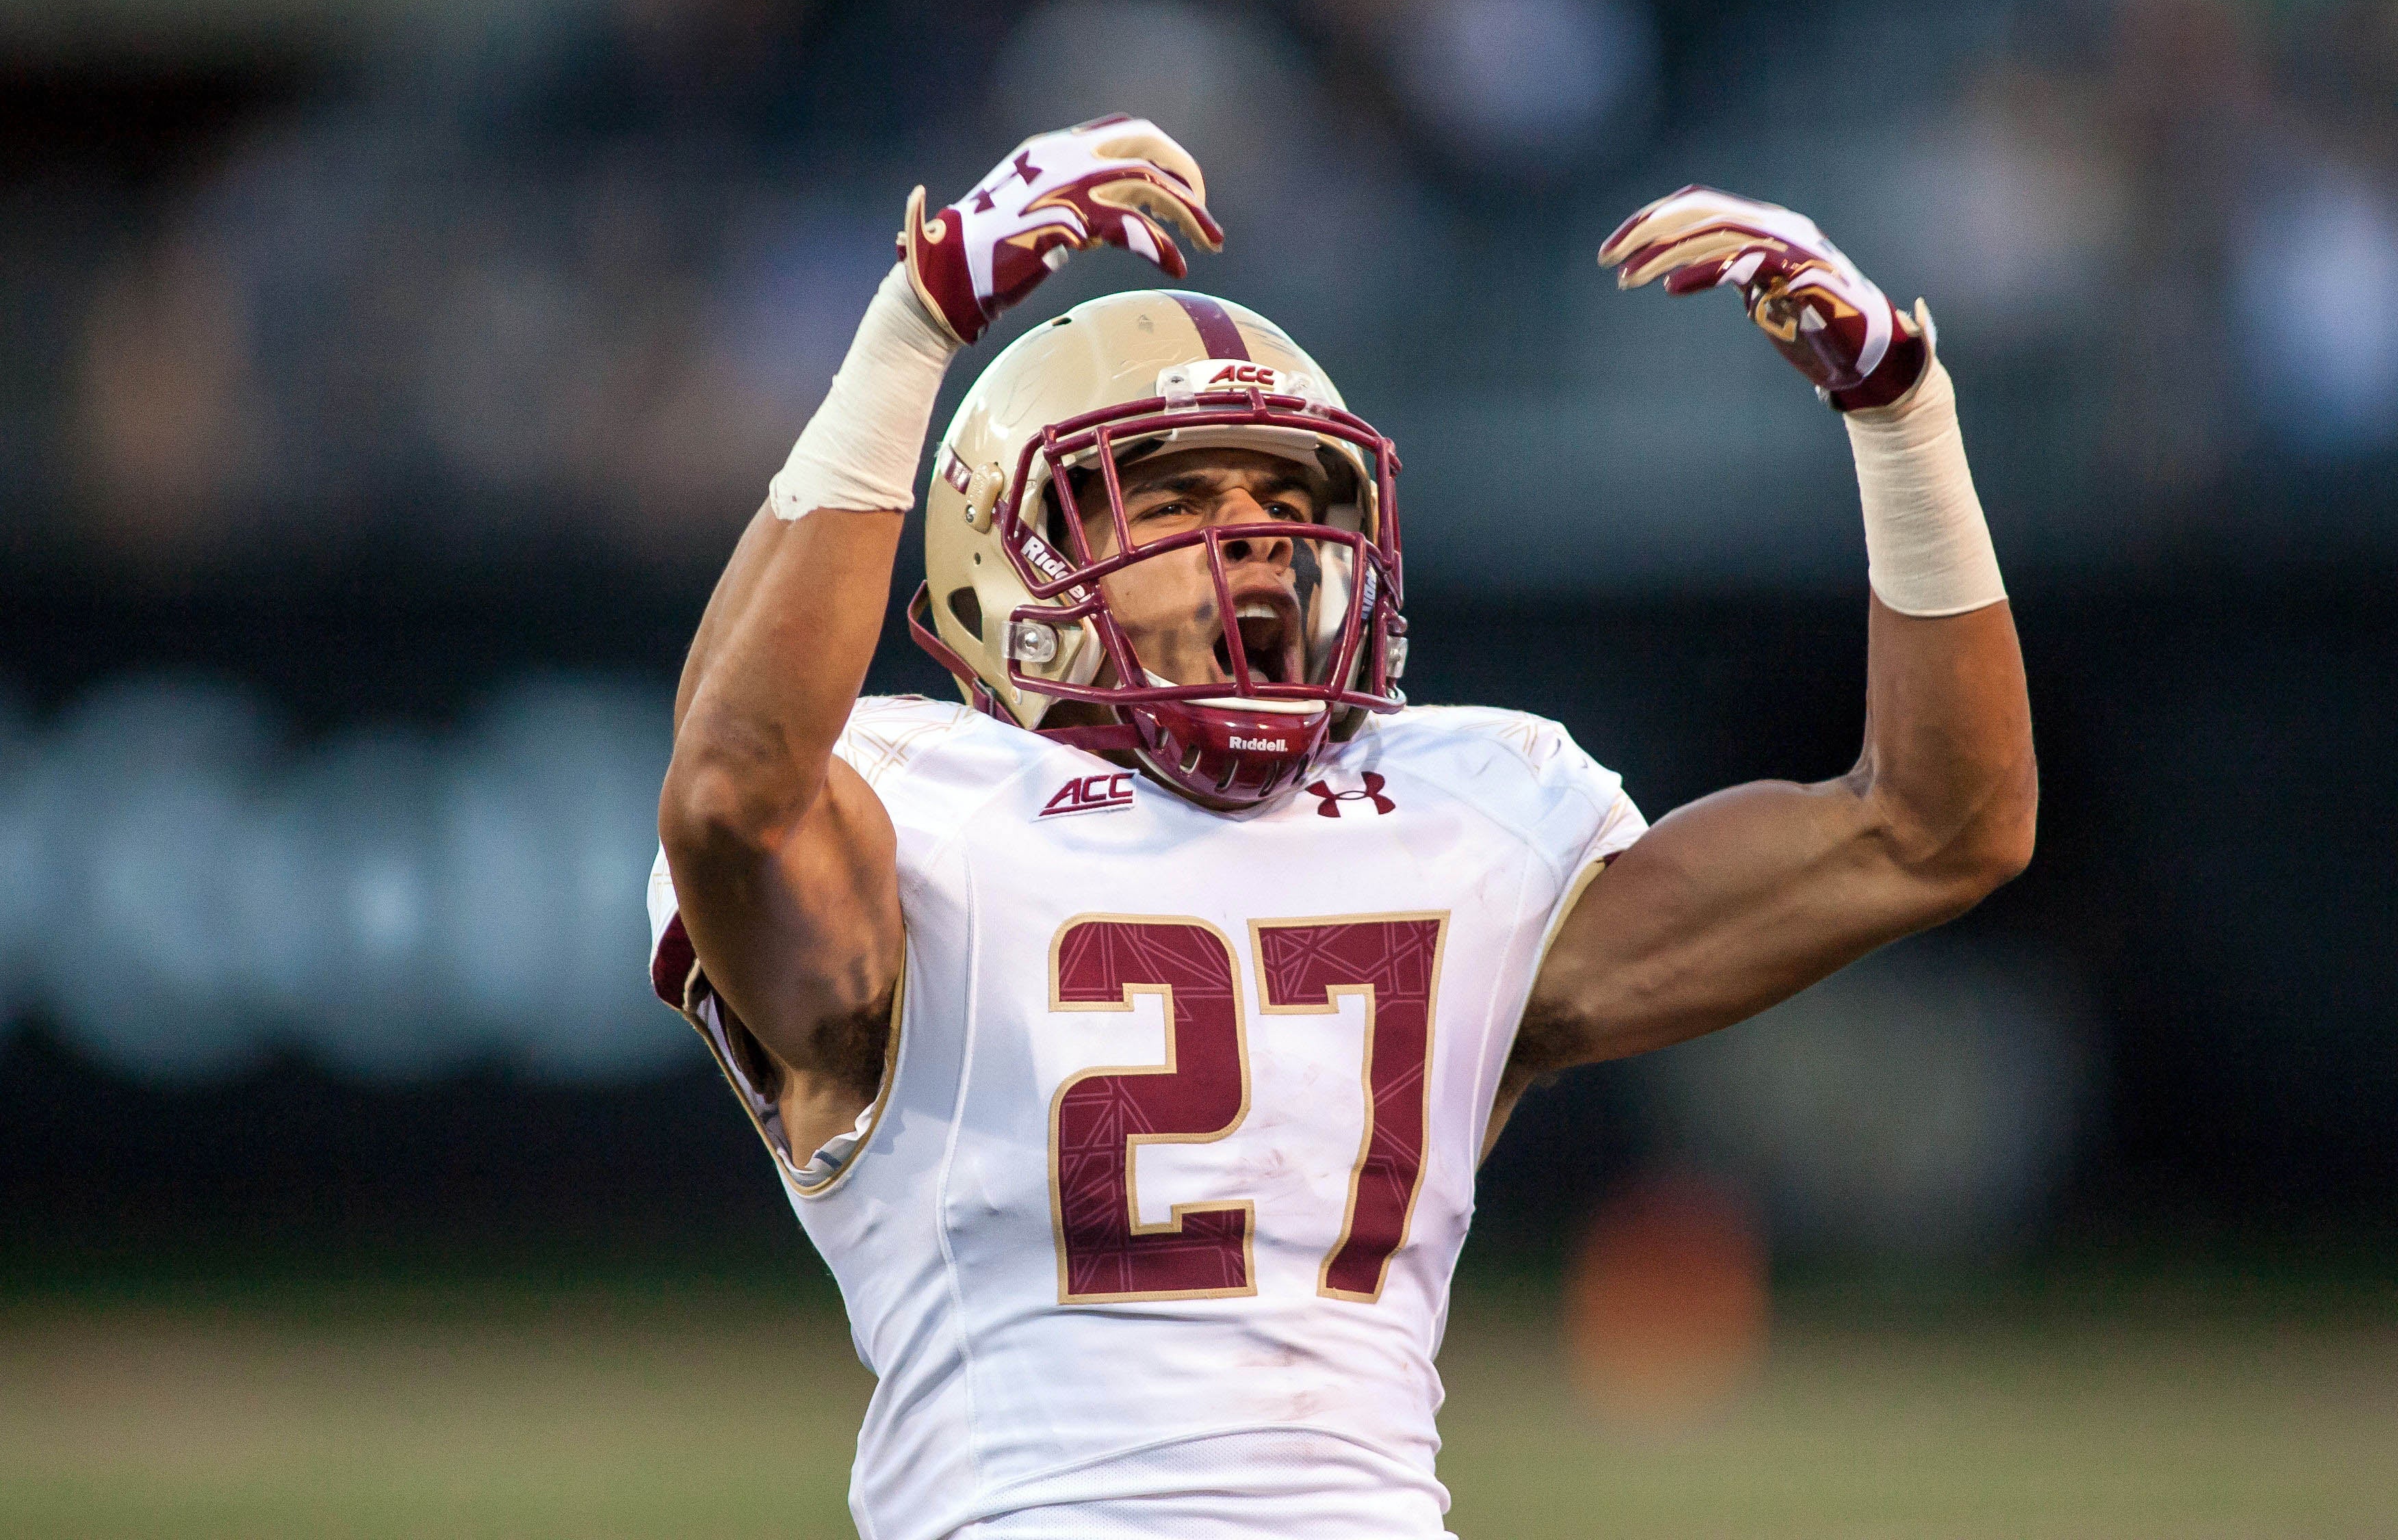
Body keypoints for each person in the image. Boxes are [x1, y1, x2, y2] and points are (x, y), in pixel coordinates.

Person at [648, 115, 2034, 1539]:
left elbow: (1937, 830)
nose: (1253, 529)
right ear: (1013, 556)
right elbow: (730, 788)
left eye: (1294, 496)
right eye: (1174, 493)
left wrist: (1903, 419)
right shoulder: (919, 811)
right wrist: (914, 329)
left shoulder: (1465, 814)